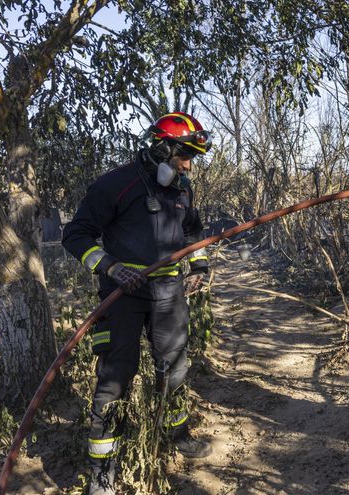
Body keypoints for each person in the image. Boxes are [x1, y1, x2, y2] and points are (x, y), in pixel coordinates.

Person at [62, 112, 213, 494]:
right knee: (114, 378)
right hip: (122, 296)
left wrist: (197, 266)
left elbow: (192, 230)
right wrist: (111, 267)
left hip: (168, 292)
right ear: (162, 147)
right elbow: (76, 235)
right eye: (184, 155)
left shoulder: (182, 189)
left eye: (192, 158)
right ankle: (101, 473)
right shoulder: (116, 185)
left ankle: (176, 434)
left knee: (174, 367)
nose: (188, 165)